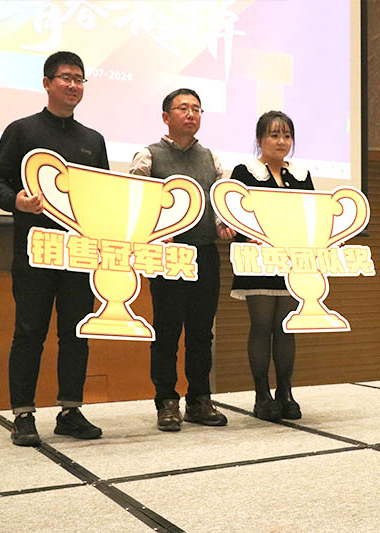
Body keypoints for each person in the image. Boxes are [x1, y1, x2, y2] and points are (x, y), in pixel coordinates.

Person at [0, 51, 107, 446]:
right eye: (66, 77)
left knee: (75, 332)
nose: (73, 85)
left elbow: (102, 196)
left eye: (79, 79)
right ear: (47, 83)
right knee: (29, 332)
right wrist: (16, 201)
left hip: (79, 254)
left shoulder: (93, 140)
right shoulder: (22, 131)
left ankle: (70, 411)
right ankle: (23, 414)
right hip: (35, 252)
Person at [129, 88, 236, 432]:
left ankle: (199, 399)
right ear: (166, 117)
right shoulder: (149, 156)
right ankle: (166, 401)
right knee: (167, 330)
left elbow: (220, 202)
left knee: (202, 332)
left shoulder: (211, 159)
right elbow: (136, 200)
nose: (191, 114)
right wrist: (155, 231)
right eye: (183, 108)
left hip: (204, 252)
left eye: (197, 109)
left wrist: (223, 224)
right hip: (167, 256)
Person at [229, 111, 314, 420]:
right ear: (260, 139)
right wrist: (245, 234)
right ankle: (262, 394)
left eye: (287, 136)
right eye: (274, 135)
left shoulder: (301, 175)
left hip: (291, 262)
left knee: (286, 327)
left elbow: (312, 216)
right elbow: (233, 212)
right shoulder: (244, 172)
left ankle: (286, 392)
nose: (281, 141)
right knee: (262, 326)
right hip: (258, 261)